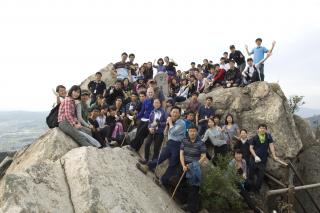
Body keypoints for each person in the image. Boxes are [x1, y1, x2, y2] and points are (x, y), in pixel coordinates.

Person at [136, 106, 186, 187]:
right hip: (170, 143)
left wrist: (170, 122)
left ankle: (162, 181)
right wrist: (167, 125)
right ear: (171, 113)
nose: (175, 114)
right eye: (173, 112)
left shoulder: (181, 123)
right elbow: (165, 133)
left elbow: (173, 131)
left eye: (177, 112)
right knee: (160, 157)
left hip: (178, 146)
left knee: (172, 165)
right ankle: (147, 167)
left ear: (179, 114)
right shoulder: (171, 121)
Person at [180, 124, 207, 213]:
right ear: (188, 131)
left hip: (194, 166)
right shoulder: (184, 140)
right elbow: (181, 154)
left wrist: (193, 165)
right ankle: (186, 204)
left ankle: (191, 209)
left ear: (197, 132)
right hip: (184, 164)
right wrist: (183, 165)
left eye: (194, 131)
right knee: (180, 183)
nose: (192, 133)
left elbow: (203, 156)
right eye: (191, 131)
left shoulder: (201, 143)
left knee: (193, 187)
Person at [249, 124, 279, 193]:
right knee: (251, 175)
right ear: (258, 129)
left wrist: (274, 155)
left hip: (263, 160)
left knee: (261, 176)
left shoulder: (268, 137)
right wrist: (255, 156)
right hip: (253, 159)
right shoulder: (254, 137)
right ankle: (250, 189)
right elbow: (250, 148)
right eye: (261, 128)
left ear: (266, 130)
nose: (262, 129)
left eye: (264, 128)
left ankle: (256, 190)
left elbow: (271, 146)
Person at [140, 99, 167, 164]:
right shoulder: (152, 112)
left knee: (156, 148)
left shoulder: (164, 112)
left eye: (157, 103)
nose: (156, 104)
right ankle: (146, 159)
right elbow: (149, 122)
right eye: (155, 103)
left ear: (160, 104)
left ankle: (152, 163)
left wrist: (159, 123)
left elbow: (166, 123)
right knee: (147, 143)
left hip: (159, 132)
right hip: (152, 131)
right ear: (153, 104)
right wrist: (149, 128)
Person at [130, 87, 155, 152]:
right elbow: (142, 111)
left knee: (141, 133)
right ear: (147, 93)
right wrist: (136, 117)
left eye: (151, 92)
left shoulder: (155, 101)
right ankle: (136, 148)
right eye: (149, 92)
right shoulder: (145, 101)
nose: (150, 93)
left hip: (150, 120)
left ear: (153, 93)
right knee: (138, 132)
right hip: (143, 118)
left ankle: (133, 145)